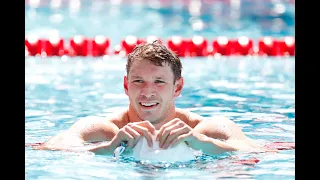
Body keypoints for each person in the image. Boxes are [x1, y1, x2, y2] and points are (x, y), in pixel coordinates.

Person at [34, 40, 277, 156]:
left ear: (177, 87)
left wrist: (203, 143)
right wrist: (107, 148)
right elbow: (52, 146)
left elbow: (257, 151)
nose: (147, 91)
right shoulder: (106, 129)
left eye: (159, 82)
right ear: (126, 85)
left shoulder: (205, 128)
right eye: (138, 81)